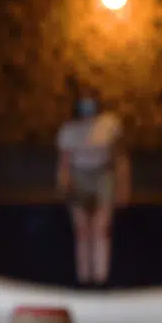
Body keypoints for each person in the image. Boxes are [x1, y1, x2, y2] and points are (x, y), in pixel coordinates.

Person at [56, 88, 130, 286]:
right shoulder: (69, 130)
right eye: (84, 103)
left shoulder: (110, 125)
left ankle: (101, 278)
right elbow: (64, 163)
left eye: (91, 102)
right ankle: (83, 278)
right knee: (82, 230)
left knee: (101, 228)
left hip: (103, 176)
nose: (88, 107)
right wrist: (64, 185)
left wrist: (123, 187)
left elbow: (120, 158)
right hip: (79, 177)